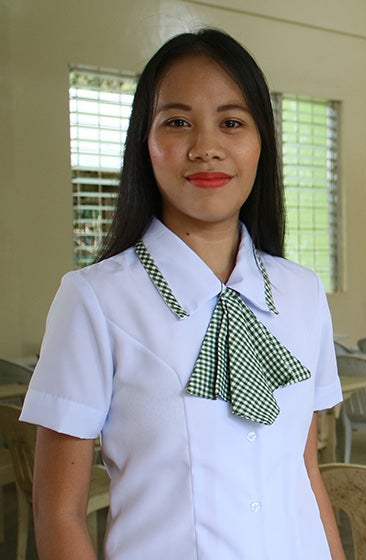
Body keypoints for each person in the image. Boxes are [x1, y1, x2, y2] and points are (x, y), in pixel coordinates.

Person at [21, 28, 347, 559]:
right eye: (177, 122)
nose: (206, 148)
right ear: (144, 143)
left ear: (261, 141)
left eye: (232, 122)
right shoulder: (94, 301)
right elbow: (59, 513)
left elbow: (304, 471)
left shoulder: (302, 293)